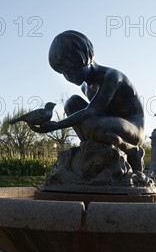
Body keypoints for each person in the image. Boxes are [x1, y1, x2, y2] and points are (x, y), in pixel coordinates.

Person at [32, 30, 145, 171]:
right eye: (64, 73)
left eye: (73, 70)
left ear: (87, 58)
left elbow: (92, 111)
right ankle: (88, 146)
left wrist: (56, 125)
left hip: (132, 128)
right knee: (71, 104)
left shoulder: (112, 77)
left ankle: (132, 150)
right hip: (106, 123)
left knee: (93, 124)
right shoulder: (85, 87)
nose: (70, 77)